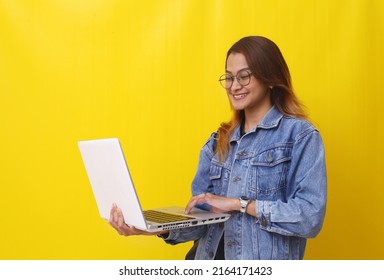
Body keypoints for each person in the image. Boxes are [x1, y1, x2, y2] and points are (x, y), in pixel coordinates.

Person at [109, 36, 327, 260]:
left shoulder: (300, 136)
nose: (234, 86)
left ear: (270, 78)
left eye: (244, 76)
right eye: (229, 78)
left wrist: (238, 204)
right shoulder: (217, 142)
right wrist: (153, 228)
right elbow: (202, 222)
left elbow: (309, 217)